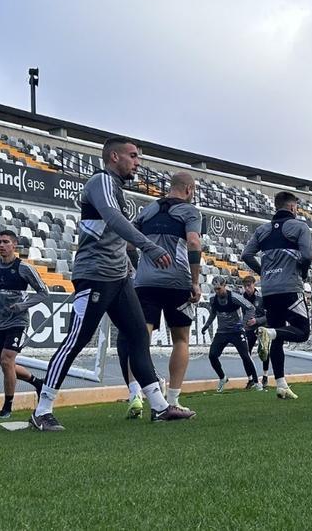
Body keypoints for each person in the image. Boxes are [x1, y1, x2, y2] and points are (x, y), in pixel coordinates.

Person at [32, 137, 193, 431]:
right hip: (94, 275)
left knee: (138, 338)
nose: (137, 162)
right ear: (114, 157)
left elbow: (114, 232)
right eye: (133, 155)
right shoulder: (101, 180)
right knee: (77, 340)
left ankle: (159, 406)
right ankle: (42, 408)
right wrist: (150, 247)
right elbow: (114, 219)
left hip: (118, 278)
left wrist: (129, 261)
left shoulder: (115, 188)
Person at [122, 172, 202, 417]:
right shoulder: (191, 212)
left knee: (139, 340)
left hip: (145, 283)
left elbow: (128, 244)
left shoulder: (148, 210)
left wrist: (140, 267)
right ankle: (173, 400)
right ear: (188, 189)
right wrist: (196, 282)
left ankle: (136, 395)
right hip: (178, 282)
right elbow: (193, 243)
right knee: (180, 340)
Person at [243, 191, 312, 400]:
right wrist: (302, 270)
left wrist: (263, 272)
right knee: (301, 332)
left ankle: (281, 384)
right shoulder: (300, 227)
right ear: (292, 208)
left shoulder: (262, 230)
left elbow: (246, 255)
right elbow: (307, 255)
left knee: (276, 334)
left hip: (269, 290)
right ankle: (270, 334)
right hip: (290, 288)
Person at [0, 230, 49, 418]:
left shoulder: (24, 268)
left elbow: (44, 292)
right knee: (6, 365)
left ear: (14, 245)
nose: (1, 246)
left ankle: (7, 406)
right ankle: (37, 382)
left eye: (5, 242)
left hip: (18, 322)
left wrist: (22, 305)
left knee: (7, 359)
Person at [200, 277, 260, 392]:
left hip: (237, 332)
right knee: (212, 355)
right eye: (215, 289)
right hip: (222, 332)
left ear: (225, 285)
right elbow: (213, 313)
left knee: (245, 356)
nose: (217, 291)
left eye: (219, 288)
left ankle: (257, 383)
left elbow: (250, 308)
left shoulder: (234, 297)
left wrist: (243, 324)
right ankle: (223, 378)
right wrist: (207, 325)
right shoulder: (213, 299)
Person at [240, 275, 270, 388]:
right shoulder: (242, 298)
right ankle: (250, 379)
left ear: (254, 285)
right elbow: (243, 313)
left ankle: (265, 376)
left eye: (249, 286)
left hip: (263, 326)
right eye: (245, 286)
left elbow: (269, 315)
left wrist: (256, 320)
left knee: (264, 351)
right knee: (245, 353)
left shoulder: (262, 297)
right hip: (249, 328)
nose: (247, 288)